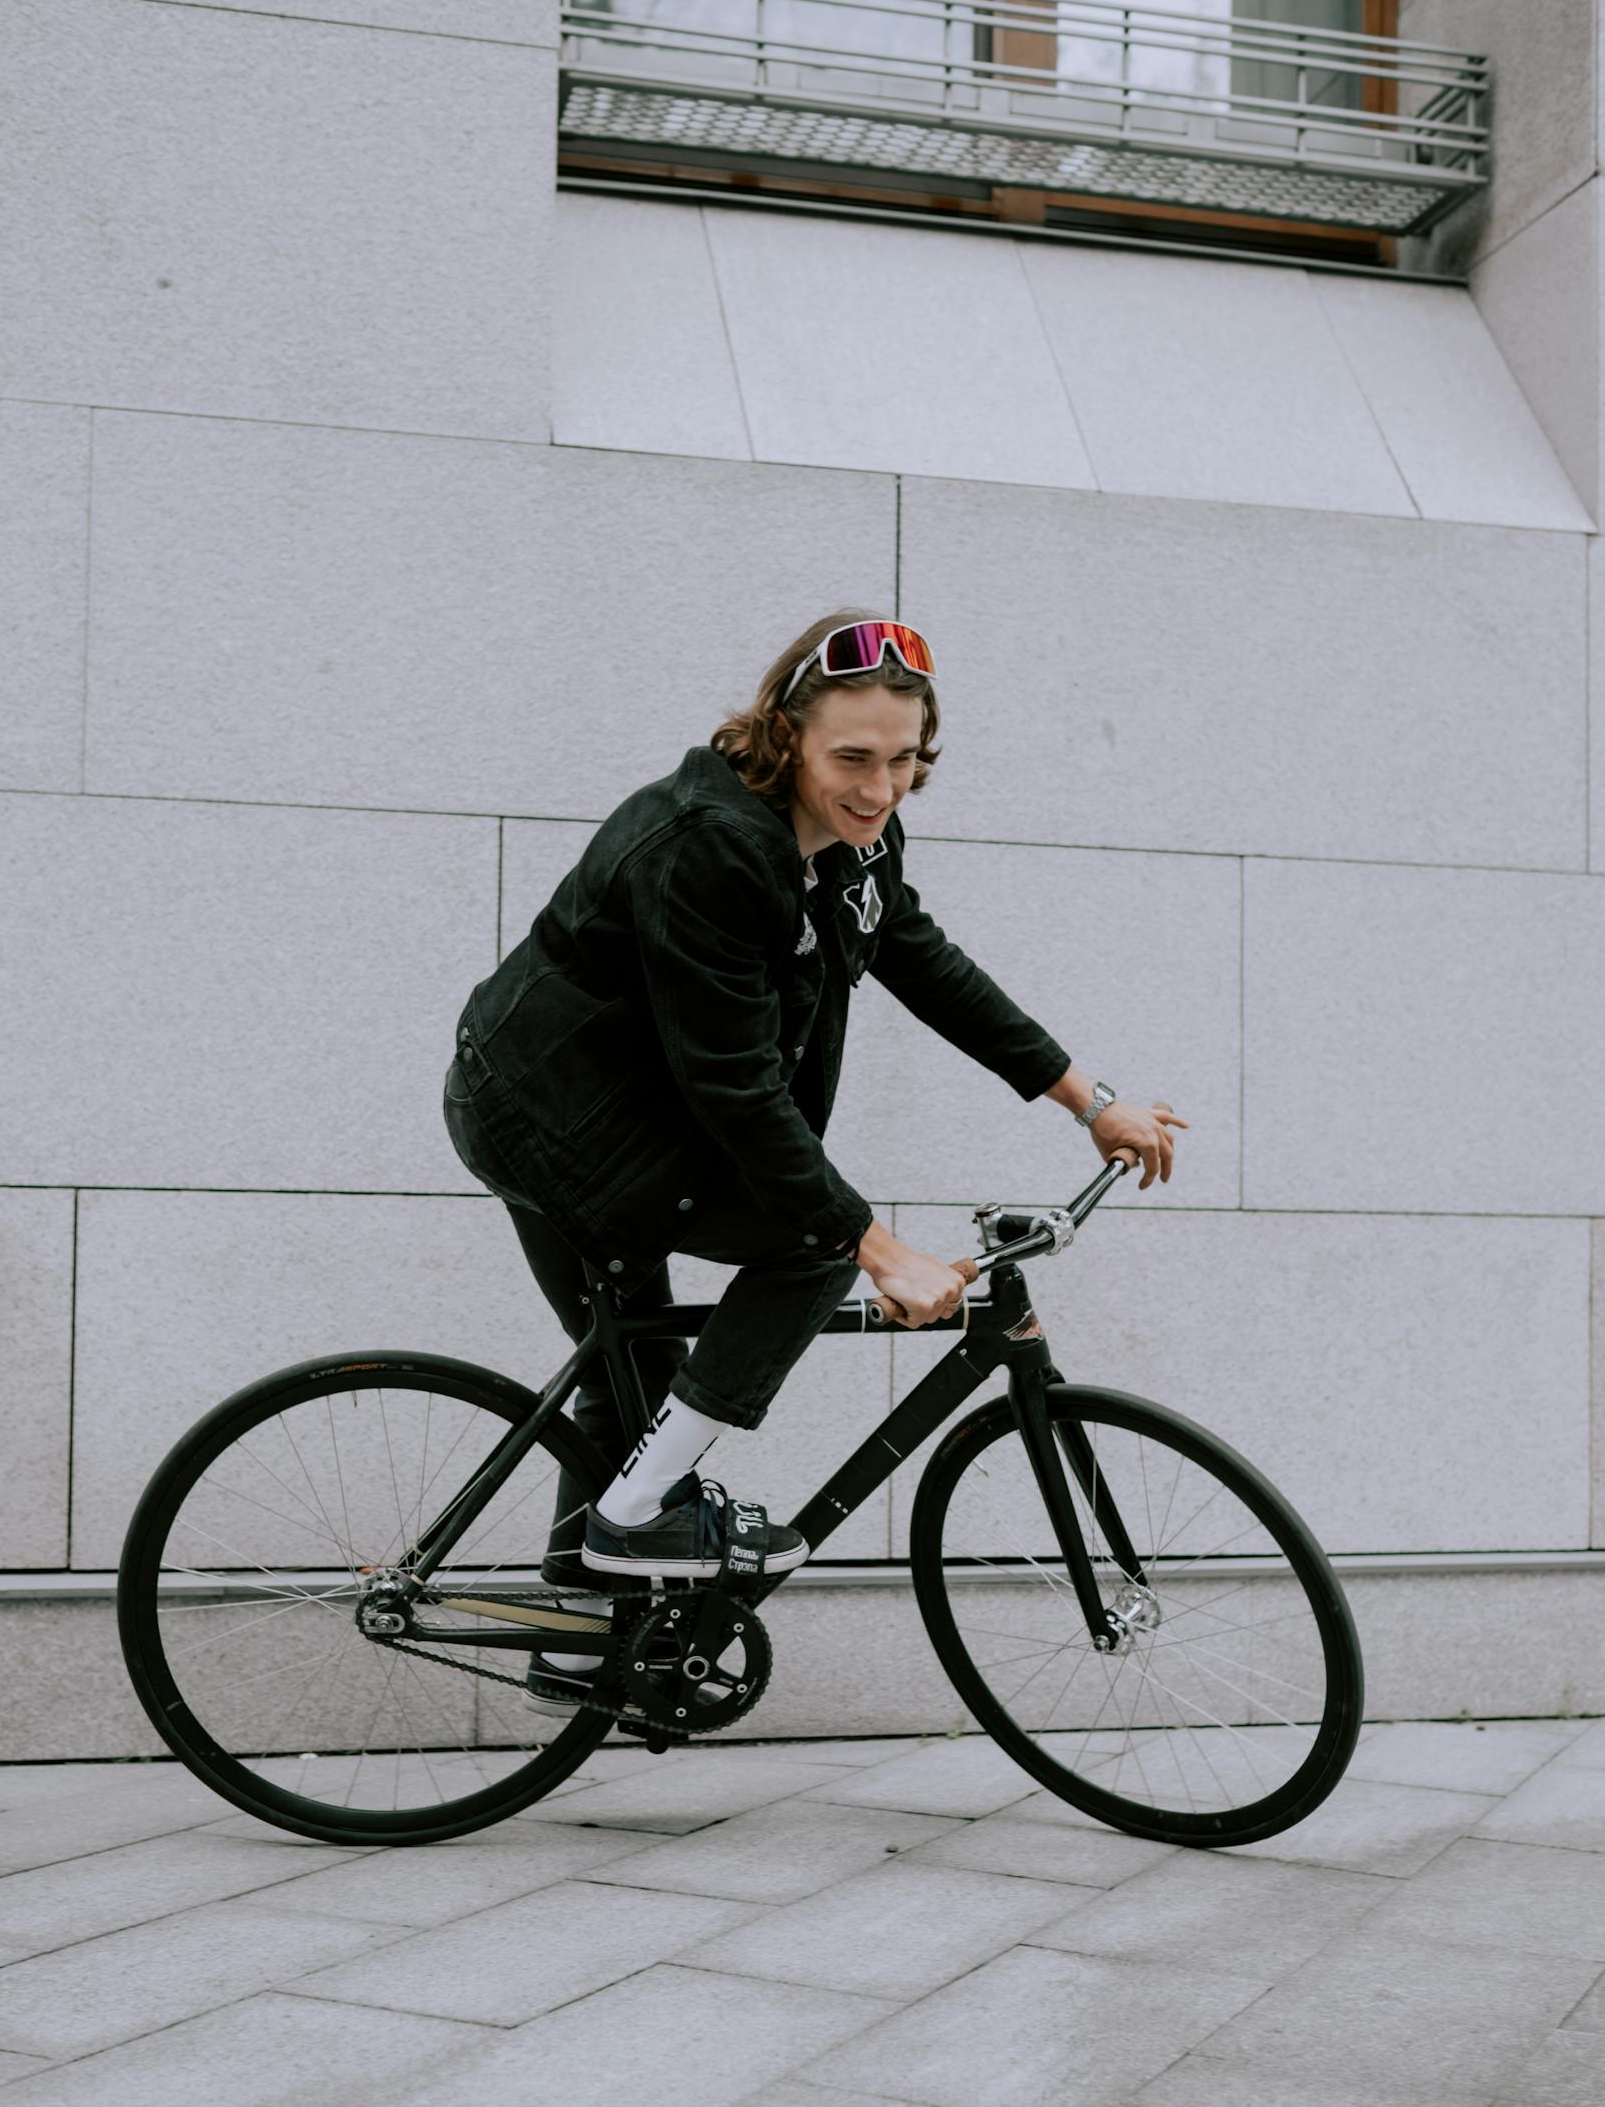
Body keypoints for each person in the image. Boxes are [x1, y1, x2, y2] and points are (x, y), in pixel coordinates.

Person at [444, 610, 1186, 1698]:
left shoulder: (858, 835)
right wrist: (877, 1248)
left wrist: (1087, 1098)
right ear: (786, 734)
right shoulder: (707, 847)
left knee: (638, 1385)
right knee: (810, 1242)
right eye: (852, 758)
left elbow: (920, 956)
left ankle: (579, 1639)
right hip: (550, 1116)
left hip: (632, 1112)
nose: (880, 789)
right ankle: (634, 1518)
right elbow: (733, 1086)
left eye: (904, 760)